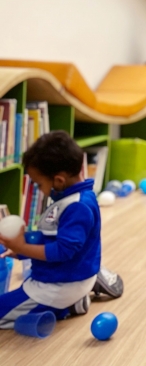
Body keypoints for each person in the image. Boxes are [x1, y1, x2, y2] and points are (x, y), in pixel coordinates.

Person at [0, 132, 100, 328]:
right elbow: (50, 237)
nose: (39, 189)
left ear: (59, 180)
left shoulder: (77, 206)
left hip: (58, 286)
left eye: (39, 184)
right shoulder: (71, 199)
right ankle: (71, 304)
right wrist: (22, 250)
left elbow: (62, 251)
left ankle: (65, 303)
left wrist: (22, 247)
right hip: (63, 279)